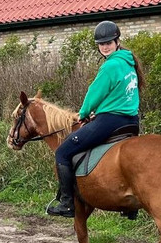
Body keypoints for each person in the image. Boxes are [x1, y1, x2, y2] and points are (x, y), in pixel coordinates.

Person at [46, 20, 143, 218]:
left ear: (117, 41)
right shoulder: (128, 63)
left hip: (111, 122)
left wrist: (83, 113)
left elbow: (94, 93)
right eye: (101, 44)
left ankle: (67, 203)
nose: (105, 46)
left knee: (63, 152)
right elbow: (118, 93)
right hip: (131, 122)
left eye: (108, 42)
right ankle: (131, 206)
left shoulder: (111, 65)